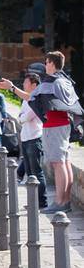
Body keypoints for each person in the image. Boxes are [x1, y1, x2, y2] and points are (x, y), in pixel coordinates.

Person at [27, 52, 83, 213]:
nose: (45, 66)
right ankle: (65, 201)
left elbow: (32, 99)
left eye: (46, 62)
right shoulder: (66, 81)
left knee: (59, 164)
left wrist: (12, 88)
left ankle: (60, 202)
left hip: (53, 125)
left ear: (52, 63)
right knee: (65, 163)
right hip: (64, 124)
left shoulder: (50, 83)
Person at [0, 71, 47, 209]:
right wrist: (22, 117)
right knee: (30, 173)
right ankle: (34, 203)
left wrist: (22, 117)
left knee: (37, 172)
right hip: (26, 138)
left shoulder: (36, 99)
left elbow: (25, 117)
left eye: (26, 82)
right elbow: (21, 116)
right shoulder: (26, 100)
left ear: (34, 85)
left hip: (34, 138)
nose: (24, 84)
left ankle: (42, 202)